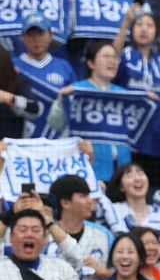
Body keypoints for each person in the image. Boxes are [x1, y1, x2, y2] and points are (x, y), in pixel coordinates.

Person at [48, 41, 133, 183]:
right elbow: (55, 124)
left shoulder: (125, 95)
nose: (112, 62)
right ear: (90, 63)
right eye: (106, 57)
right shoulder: (75, 90)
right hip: (88, 167)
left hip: (121, 170)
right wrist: (61, 101)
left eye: (115, 58)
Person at [12, 12, 77, 140]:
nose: (36, 39)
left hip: (58, 140)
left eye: (40, 34)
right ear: (22, 37)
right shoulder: (12, 66)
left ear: (50, 36)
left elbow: (75, 103)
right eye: (31, 34)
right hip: (23, 140)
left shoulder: (64, 66)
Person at [50, 175, 111, 280]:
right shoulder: (45, 236)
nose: (90, 201)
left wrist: (103, 272)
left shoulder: (104, 234)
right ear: (65, 203)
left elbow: (123, 274)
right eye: (84, 196)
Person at [102, 162, 160, 234]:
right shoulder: (112, 210)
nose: (137, 179)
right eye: (130, 176)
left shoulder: (158, 212)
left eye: (140, 174)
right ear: (121, 187)